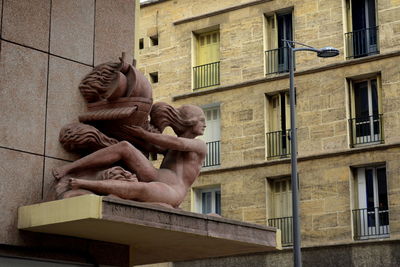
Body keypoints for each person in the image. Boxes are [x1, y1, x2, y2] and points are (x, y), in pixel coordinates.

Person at [53, 104, 207, 208]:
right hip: (154, 175)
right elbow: (160, 144)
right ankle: (68, 168)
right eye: (201, 120)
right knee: (125, 147)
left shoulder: (200, 146)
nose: (205, 124)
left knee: (141, 189)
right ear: (189, 122)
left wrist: (144, 134)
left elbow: (178, 143)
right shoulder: (170, 147)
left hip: (171, 191)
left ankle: (82, 184)